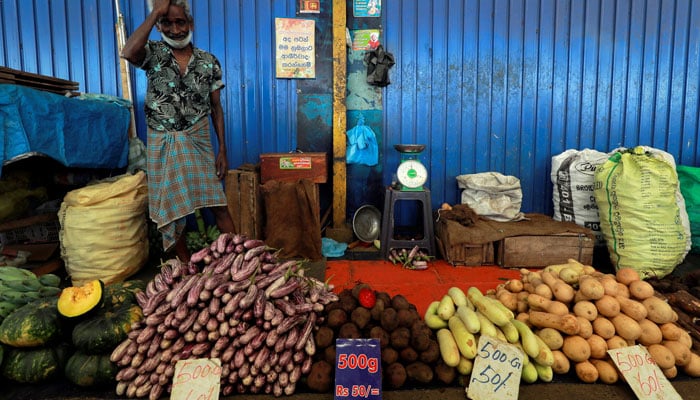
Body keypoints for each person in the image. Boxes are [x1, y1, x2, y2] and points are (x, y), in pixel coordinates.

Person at [121, 0, 234, 262]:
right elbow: (128, 51)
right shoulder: (153, 54)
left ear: (190, 24)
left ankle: (235, 259)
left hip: (198, 139)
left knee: (218, 204)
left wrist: (223, 150)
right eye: (167, 23)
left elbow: (216, 108)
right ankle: (184, 268)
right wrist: (156, 12)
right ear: (160, 26)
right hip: (163, 141)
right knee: (173, 209)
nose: (175, 29)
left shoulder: (208, 62)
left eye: (180, 22)